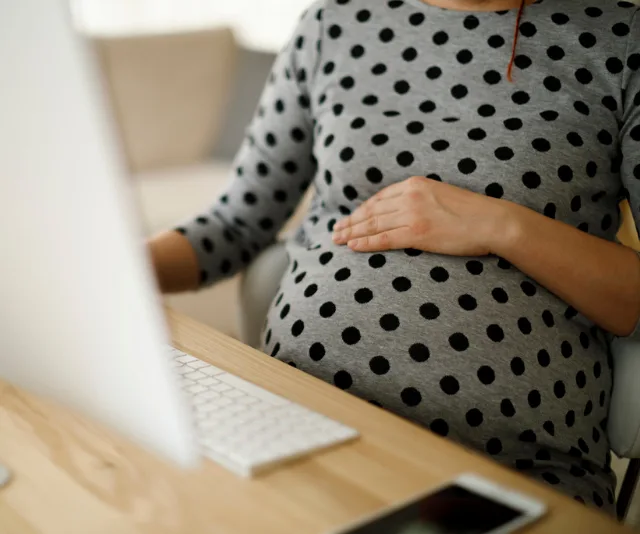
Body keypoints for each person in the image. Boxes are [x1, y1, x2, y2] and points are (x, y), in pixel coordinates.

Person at [149, 0, 640, 513]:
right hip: (291, 428)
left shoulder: (619, 41)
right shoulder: (333, 24)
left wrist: (502, 225)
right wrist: (110, 269)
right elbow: (235, 223)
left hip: (507, 471)